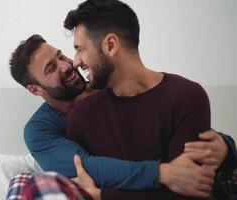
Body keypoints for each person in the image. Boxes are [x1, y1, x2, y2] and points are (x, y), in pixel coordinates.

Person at [8, 34, 236, 199]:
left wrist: (225, 145)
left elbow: (169, 122)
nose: (66, 65)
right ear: (35, 90)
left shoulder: (110, 85)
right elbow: (86, 168)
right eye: (51, 68)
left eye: (61, 56)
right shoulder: (40, 130)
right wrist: (163, 173)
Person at [62, 0, 237, 199]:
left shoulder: (185, 97)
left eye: (80, 49)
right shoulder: (81, 118)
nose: (75, 61)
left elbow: (190, 191)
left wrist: (102, 195)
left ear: (110, 45)